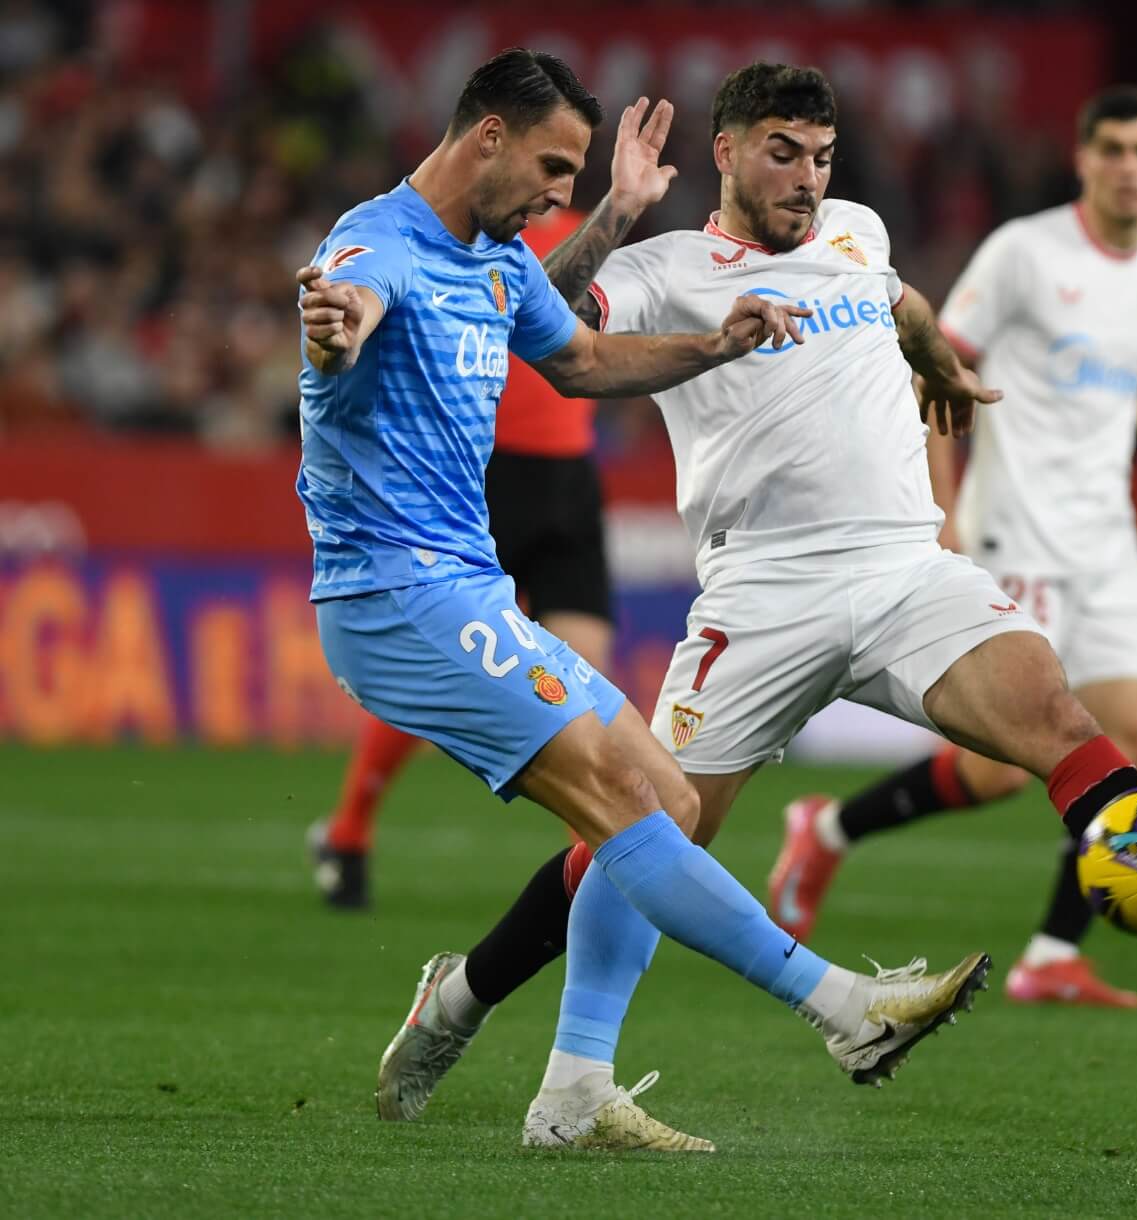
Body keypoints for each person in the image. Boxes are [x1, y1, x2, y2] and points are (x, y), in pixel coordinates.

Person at [298, 49, 992, 1154]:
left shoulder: (491, 256)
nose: (558, 196)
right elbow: (351, 309)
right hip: (394, 593)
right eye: (554, 168)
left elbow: (578, 360)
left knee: (659, 801)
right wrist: (336, 331)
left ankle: (561, 1080)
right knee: (629, 797)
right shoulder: (375, 244)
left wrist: (707, 343)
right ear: (487, 135)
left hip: (462, 583)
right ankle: (843, 1007)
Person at [766, 85, 1137, 1010]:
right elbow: (935, 357)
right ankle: (828, 828)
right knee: (997, 769)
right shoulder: (1025, 252)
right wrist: (945, 505)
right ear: (1084, 158)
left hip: (1109, 538)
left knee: (1132, 741)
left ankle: (1052, 952)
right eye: (1114, 150)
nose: (1130, 166)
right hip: (1018, 527)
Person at [308, 207, 622, 910]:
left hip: (572, 476)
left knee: (585, 679)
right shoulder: (470, 245)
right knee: (442, 662)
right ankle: (350, 827)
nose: (553, 182)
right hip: (483, 471)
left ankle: (590, 882)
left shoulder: (596, 232)